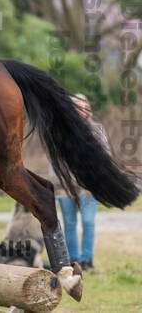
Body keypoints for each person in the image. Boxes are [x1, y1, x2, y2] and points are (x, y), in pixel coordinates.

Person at [48, 93, 107, 271]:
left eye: (83, 107)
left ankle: (87, 260)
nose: (79, 111)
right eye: (76, 107)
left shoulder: (97, 130)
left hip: (89, 186)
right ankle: (73, 260)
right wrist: (57, 180)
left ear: (88, 109)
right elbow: (55, 159)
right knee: (69, 222)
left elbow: (106, 157)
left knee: (88, 221)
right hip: (65, 185)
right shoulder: (59, 130)